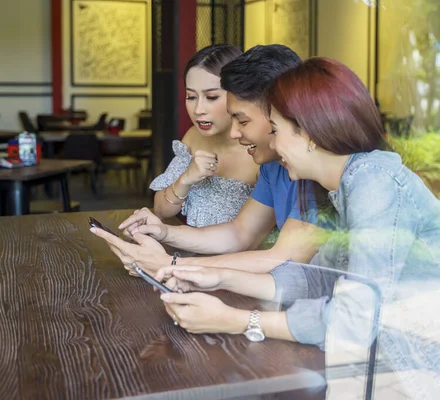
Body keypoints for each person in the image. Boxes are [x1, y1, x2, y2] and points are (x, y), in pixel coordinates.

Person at [151, 58, 440, 399]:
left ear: (310, 133)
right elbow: (316, 279)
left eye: (277, 129)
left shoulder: (376, 185)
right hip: (410, 376)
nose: (273, 142)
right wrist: (214, 279)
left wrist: (237, 320)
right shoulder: (349, 185)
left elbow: (354, 319)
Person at [91, 45, 326, 274]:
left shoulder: (318, 170)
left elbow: (282, 259)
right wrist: (163, 232)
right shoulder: (272, 164)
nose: (234, 133)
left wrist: (170, 265)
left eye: (242, 121)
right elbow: (240, 233)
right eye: (191, 97)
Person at [150, 45, 258, 227]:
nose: (198, 110)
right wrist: (186, 178)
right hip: (196, 250)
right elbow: (161, 210)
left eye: (212, 97)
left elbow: (247, 235)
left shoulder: (261, 151)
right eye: (191, 97)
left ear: (239, 94)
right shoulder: (193, 138)